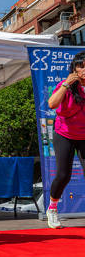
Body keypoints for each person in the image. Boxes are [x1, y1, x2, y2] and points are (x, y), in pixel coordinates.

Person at [46, 51, 85, 229]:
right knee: (63, 175)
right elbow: (52, 104)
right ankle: (52, 209)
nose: (84, 70)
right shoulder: (67, 85)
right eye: (81, 66)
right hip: (65, 134)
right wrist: (65, 86)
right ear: (74, 69)